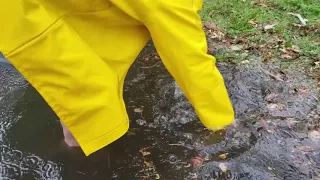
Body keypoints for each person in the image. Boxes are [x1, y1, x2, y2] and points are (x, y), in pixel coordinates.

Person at [0, 0, 234, 156]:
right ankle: (74, 157)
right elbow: (190, 62)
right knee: (89, 108)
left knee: (80, 88)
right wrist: (222, 120)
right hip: (23, 20)